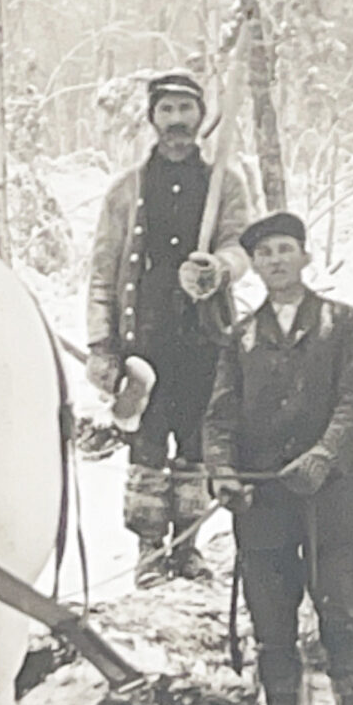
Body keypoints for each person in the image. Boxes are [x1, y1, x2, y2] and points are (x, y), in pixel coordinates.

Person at [203, 212, 353, 705]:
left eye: (285, 250)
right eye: (264, 254)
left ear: (305, 258)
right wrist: (221, 473)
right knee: (273, 634)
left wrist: (323, 456)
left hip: (334, 504)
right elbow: (219, 416)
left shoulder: (343, 324)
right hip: (263, 508)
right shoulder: (238, 337)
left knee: (345, 623)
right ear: (255, 267)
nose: (275, 261)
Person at [87, 70, 253, 586]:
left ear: (200, 117)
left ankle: (188, 547)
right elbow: (102, 270)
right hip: (145, 343)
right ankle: (149, 549)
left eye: (185, 110)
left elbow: (241, 243)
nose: (177, 121)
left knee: (197, 445)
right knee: (148, 447)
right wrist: (101, 344)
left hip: (204, 338)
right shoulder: (126, 191)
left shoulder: (225, 182)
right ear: (153, 119)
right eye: (167, 111)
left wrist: (219, 269)